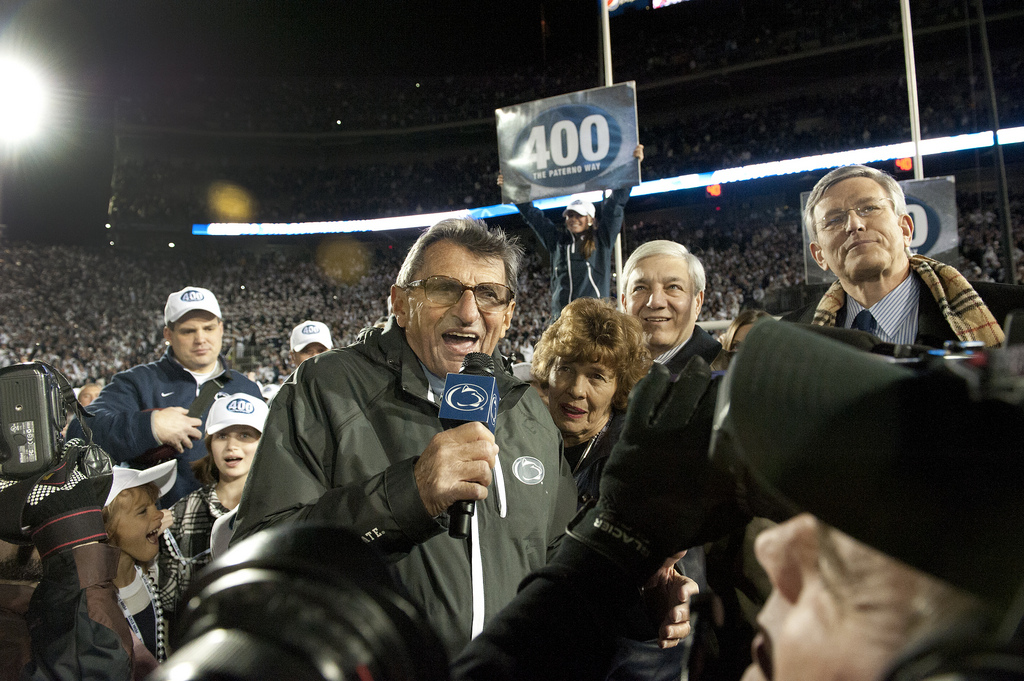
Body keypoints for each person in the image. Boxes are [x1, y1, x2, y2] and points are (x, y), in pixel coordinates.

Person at [232, 218, 578, 656]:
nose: (468, 311)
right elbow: (261, 559)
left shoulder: (529, 412)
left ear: (508, 316)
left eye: (488, 294)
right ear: (399, 303)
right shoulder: (326, 387)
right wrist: (408, 496)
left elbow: (562, 562)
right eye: (443, 288)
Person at [69, 286, 263, 504]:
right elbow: (79, 432)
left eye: (208, 328)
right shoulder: (138, 382)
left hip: (235, 516)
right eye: (188, 331)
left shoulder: (247, 388)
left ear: (220, 329)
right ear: (168, 334)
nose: (200, 339)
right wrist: (150, 426)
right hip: (162, 519)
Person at [783, 164, 1013, 347]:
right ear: (819, 255)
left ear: (905, 230)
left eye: (869, 208)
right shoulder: (789, 338)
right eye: (834, 220)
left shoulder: (1008, 314)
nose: (854, 224)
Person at [157, 392, 269, 623]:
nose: (231, 446)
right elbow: (170, 607)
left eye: (245, 435)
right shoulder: (181, 513)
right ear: (209, 444)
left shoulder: (282, 508)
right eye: (222, 435)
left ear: (265, 442)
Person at [500, 145, 644, 320]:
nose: (573, 219)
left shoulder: (602, 239)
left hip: (594, 320)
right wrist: (512, 188)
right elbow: (533, 216)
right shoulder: (557, 242)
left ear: (590, 218)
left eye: (579, 215)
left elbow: (615, 204)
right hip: (562, 321)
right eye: (569, 215)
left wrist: (631, 165)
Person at [531, 297, 651, 506]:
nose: (576, 390)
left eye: (596, 376)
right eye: (565, 369)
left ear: (619, 387)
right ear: (548, 371)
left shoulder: (632, 459)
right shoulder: (521, 435)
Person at [101, 461, 177, 671]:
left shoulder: (154, 573)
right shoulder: (95, 601)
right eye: (143, 511)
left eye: (155, 504)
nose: (159, 514)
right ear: (105, 527)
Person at [621, 240, 722, 375]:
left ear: (697, 303)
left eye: (673, 287)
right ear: (624, 303)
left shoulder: (732, 375)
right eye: (640, 288)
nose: (655, 302)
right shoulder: (603, 369)